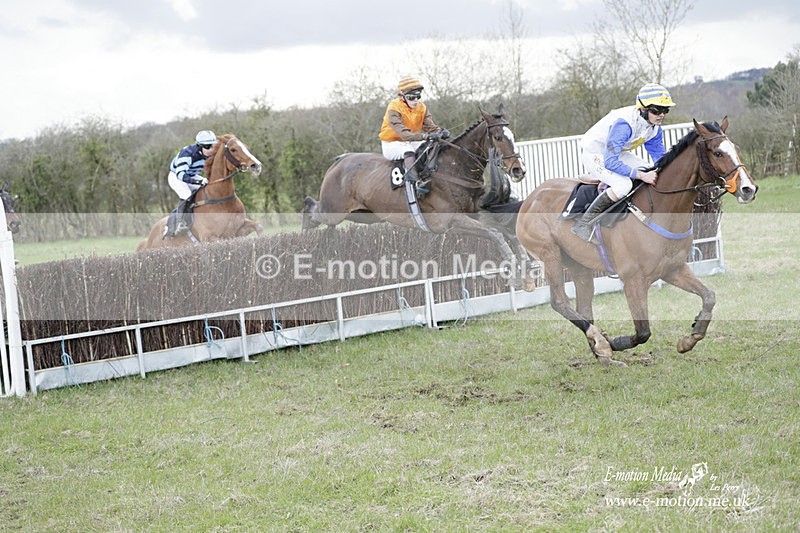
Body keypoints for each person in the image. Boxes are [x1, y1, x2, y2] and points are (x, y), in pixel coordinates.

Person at [571, 83, 676, 242]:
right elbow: (610, 162)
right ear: (643, 109)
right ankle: (583, 224)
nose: (661, 115)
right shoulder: (624, 124)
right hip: (595, 153)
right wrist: (641, 175)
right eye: (657, 110)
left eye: (665, 110)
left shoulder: (654, 127)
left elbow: (659, 158)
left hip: (616, 153)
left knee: (651, 169)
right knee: (623, 185)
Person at [378, 76, 450, 194]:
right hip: (392, 143)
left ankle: (432, 175)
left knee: (433, 145)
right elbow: (405, 135)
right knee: (408, 151)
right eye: (411, 97)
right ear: (402, 97)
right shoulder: (394, 108)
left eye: (418, 96)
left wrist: (440, 132)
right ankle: (415, 183)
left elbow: (430, 127)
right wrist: (425, 136)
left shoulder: (421, 107)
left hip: (411, 141)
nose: (416, 100)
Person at [163, 130, 217, 237]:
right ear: (200, 146)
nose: (211, 150)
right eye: (208, 146)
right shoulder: (188, 154)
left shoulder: (210, 154)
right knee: (186, 195)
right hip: (176, 177)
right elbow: (181, 175)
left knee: (207, 189)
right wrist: (199, 181)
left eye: (213, 146)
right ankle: (179, 223)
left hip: (191, 175)